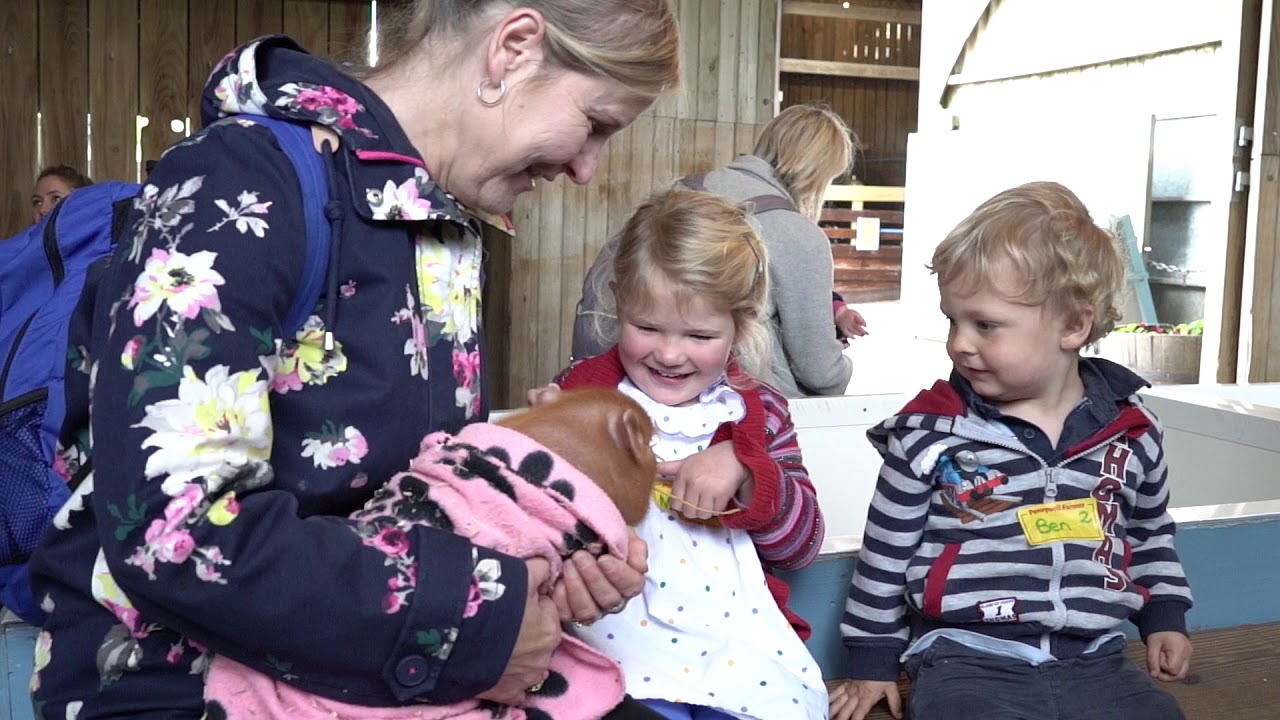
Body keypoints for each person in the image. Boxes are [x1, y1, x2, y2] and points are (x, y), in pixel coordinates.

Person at [26, 0, 679, 717]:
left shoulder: (438, 224)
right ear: (514, 48)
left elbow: (419, 501)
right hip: (179, 685)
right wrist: (478, 619)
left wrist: (545, 561)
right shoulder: (240, 184)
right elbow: (175, 533)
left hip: (368, 675)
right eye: (595, 124)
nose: (587, 169)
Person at [830, 181, 1194, 720]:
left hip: (1097, 657)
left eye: (986, 325)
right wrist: (872, 662)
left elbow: (1147, 532)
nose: (959, 342)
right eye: (953, 320)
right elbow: (885, 556)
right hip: (965, 657)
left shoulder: (1133, 433)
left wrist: (1164, 615)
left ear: (1073, 325)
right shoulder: (930, 433)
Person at [544, 188, 829, 719]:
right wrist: (550, 455)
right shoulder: (576, 397)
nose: (670, 354)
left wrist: (750, 474)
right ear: (618, 301)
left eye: (699, 335)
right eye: (647, 327)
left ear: (741, 325)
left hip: (738, 646)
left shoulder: (759, 413)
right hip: (612, 644)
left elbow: (804, 545)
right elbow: (529, 531)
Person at [572, 103, 865, 397]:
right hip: (733, 404)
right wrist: (845, 366)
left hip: (611, 383)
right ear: (819, 175)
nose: (669, 355)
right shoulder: (800, 235)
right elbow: (821, 373)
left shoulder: (678, 189)